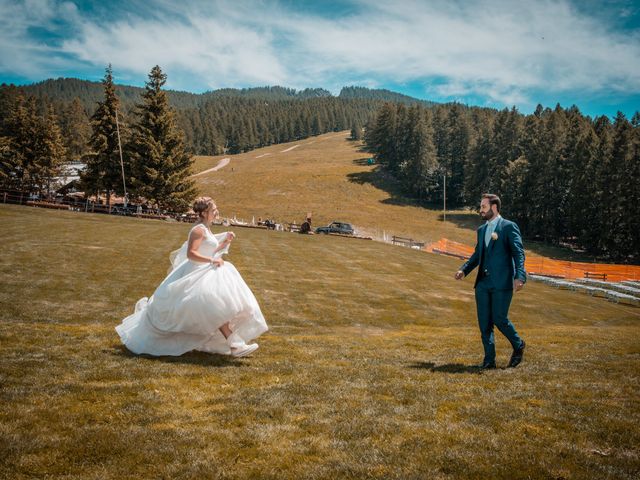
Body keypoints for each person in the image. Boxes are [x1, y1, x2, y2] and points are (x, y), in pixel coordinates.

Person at [115, 196, 268, 357]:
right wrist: (212, 260)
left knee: (219, 306)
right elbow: (191, 254)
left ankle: (235, 344)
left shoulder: (207, 228)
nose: (217, 212)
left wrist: (224, 243)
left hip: (207, 271)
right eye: (213, 210)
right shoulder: (198, 230)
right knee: (216, 306)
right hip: (195, 273)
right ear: (203, 213)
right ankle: (235, 344)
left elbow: (209, 250)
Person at [454, 194, 526, 369]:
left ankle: (518, 345)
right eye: (481, 207)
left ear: (494, 207)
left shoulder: (509, 227)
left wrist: (520, 276)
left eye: (484, 207)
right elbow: (478, 255)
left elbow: (518, 253)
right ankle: (489, 360)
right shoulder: (481, 230)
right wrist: (464, 270)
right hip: (482, 284)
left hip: (502, 282)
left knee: (500, 319)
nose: (481, 210)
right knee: (484, 322)